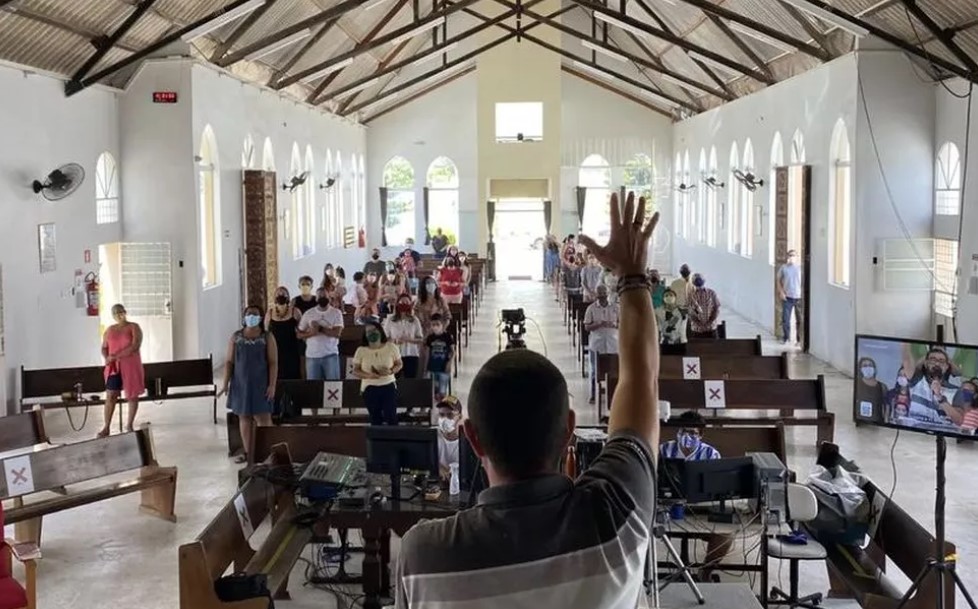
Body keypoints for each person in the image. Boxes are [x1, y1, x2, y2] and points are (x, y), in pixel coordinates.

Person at [395, 192, 660, 607]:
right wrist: (632, 275)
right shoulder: (615, 514)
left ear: (472, 438)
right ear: (569, 428)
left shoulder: (425, 553)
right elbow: (641, 377)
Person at [658, 411, 729, 582]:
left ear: (701, 435)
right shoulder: (664, 450)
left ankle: (705, 572)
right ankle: (646, 574)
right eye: (683, 431)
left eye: (693, 433)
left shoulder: (711, 455)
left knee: (725, 536)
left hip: (700, 513)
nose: (687, 436)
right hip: (667, 510)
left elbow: (718, 489)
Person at [219, 306, 277, 464]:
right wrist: (225, 383)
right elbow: (229, 361)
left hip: (261, 384)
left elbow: (273, 362)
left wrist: (272, 385)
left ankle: (268, 453)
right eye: (249, 314)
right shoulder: (236, 337)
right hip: (240, 384)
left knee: (263, 419)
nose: (252, 317)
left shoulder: (267, 337)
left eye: (255, 314)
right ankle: (249, 453)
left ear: (260, 317)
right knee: (244, 418)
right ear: (244, 318)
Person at [98, 304, 145, 437]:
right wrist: (107, 357)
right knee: (110, 395)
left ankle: (129, 425)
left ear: (125, 312)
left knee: (132, 395)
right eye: (116, 313)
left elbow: (135, 346)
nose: (119, 315)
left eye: (121, 312)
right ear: (112, 316)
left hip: (130, 367)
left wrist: (116, 356)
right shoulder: (109, 330)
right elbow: (104, 347)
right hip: (114, 367)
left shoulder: (133, 327)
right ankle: (106, 427)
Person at [351, 321, 402, 426]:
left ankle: (394, 440)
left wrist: (391, 371)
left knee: (391, 416)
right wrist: (369, 375)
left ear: (380, 331)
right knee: (375, 418)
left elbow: (399, 364)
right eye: (368, 332)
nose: (372, 333)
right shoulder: (361, 350)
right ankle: (377, 441)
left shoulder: (391, 347)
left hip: (388, 386)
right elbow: (355, 370)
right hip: (369, 388)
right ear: (365, 335)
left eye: (374, 330)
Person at [900, 345, 962, 424]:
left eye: (941, 361)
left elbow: (959, 421)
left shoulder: (955, 391)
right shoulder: (916, 381)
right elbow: (906, 358)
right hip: (915, 433)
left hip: (942, 434)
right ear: (925, 363)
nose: (937, 363)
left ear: (947, 366)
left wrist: (940, 397)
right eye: (933, 359)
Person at [297, 288, 344, 380]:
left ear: (329, 298)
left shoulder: (336, 313)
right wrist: (311, 333)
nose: (322, 297)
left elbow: (337, 333)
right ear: (316, 298)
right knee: (314, 388)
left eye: (325, 296)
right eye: (320, 296)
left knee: (333, 387)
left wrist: (320, 328)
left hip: (330, 355)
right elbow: (299, 334)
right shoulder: (308, 313)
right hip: (312, 356)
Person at [583, 284, 619, 405]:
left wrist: (614, 325)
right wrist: (598, 324)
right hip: (597, 345)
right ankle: (593, 394)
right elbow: (587, 326)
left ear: (607, 294)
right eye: (600, 294)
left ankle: (613, 394)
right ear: (597, 295)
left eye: (604, 293)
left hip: (613, 344)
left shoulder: (616, 307)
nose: (602, 296)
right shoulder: (591, 308)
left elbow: (622, 324)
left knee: (614, 370)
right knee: (595, 371)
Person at [264, 286, 302, 380]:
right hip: (275, 350)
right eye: (278, 294)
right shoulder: (270, 313)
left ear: (288, 297)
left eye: (283, 294)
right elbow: (266, 332)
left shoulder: (295, 311)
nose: (281, 295)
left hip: (291, 350)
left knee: (292, 375)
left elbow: (301, 329)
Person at [384, 294, 424, 378]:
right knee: (394, 379)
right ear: (398, 304)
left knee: (410, 380)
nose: (404, 304)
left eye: (406, 302)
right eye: (402, 302)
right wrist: (394, 340)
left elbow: (420, 339)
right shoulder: (390, 320)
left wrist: (410, 339)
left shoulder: (414, 320)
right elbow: (384, 338)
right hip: (394, 354)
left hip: (411, 354)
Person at [425, 314, 455, 400]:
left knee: (442, 392)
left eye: (437, 324)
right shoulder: (430, 338)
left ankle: (442, 407)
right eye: (433, 325)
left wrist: (449, 363)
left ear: (442, 324)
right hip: (432, 367)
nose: (435, 327)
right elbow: (427, 353)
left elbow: (453, 351)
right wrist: (426, 367)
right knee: (433, 391)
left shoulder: (448, 336)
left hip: (444, 367)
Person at [777, 250, 803, 344]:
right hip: (787, 297)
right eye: (790, 256)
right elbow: (778, 280)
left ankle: (799, 339)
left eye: (793, 256)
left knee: (799, 319)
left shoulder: (800, 268)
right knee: (785, 319)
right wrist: (781, 292)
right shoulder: (784, 268)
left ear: (797, 257)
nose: (791, 257)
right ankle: (786, 338)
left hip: (798, 297)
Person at [855, 356, 888, 423]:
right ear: (860, 369)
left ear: (874, 368)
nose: (868, 368)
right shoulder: (857, 384)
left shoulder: (882, 387)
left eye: (870, 365)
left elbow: (886, 407)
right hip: (861, 421)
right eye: (865, 366)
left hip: (877, 421)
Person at [436, 396, 462, 480]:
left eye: (450, 415)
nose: (444, 419)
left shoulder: (466, 440)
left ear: (459, 416)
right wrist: (438, 468)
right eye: (441, 415)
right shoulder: (433, 437)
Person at [688, 273, 720, 339]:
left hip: (711, 329)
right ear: (693, 283)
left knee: (715, 348)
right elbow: (690, 313)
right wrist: (699, 324)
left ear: (704, 281)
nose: (698, 282)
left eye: (700, 280)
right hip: (697, 330)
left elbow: (716, 308)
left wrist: (709, 322)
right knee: (697, 349)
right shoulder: (691, 295)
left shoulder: (711, 293)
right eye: (696, 280)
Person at [659, 288, 689, 354]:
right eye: (666, 295)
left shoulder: (681, 310)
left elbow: (696, 313)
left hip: (680, 342)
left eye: (671, 295)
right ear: (663, 298)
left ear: (675, 297)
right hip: (665, 343)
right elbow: (660, 327)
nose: (669, 297)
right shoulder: (659, 311)